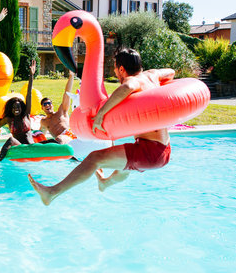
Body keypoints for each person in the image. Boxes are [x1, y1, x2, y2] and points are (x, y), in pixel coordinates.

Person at [28, 48, 175, 205]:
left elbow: (127, 88)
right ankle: (105, 183)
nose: (116, 74)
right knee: (124, 164)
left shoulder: (133, 81)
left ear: (121, 69)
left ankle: (52, 192)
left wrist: (101, 114)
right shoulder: (152, 75)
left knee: (94, 158)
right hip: (164, 149)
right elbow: (171, 72)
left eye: (115, 70)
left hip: (150, 152)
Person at [0, 60, 55, 161]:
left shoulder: (26, 114)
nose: (16, 109)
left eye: (17, 107)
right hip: (19, 147)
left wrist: (31, 76)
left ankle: (71, 157)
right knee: (10, 139)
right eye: (13, 107)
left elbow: (29, 94)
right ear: (10, 109)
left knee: (52, 140)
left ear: (21, 108)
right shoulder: (8, 119)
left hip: (31, 146)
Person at [39, 71, 77, 144]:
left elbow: (67, 94)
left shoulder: (61, 112)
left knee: (59, 139)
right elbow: (40, 136)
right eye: (45, 104)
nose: (47, 105)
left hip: (71, 135)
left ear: (52, 105)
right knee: (54, 141)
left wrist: (71, 76)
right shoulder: (44, 122)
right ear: (42, 108)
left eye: (49, 103)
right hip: (59, 141)